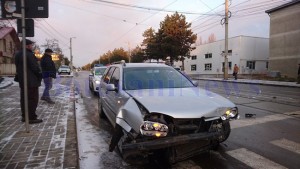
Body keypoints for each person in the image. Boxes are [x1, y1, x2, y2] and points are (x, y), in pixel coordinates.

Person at [14, 39, 43, 124]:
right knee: (32, 99)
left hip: (23, 81)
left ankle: (25, 116)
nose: (32, 47)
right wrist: (40, 75)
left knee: (24, 99)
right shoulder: (29, 54)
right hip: (31, 81)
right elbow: (35, 68)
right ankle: (31, 117)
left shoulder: (18, 54)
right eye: (31, 45)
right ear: (27, 46)